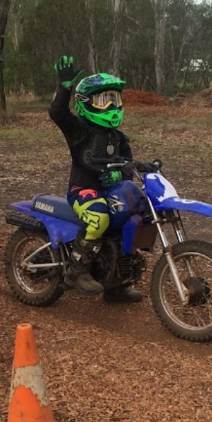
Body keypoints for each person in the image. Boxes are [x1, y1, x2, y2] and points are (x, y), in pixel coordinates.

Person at [49, 55, 143, 303]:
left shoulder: (118, 137)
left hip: (111, 191)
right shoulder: (78, 130)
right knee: (99, 218)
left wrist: (124, 173)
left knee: (128, 223)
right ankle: (75, 270)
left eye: (114, 99)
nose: (111, 106)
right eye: (103, 100)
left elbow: (128, 164)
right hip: (83, 190)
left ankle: (116, 284)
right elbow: (58, 113)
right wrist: (64, 88)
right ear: (86, 102)